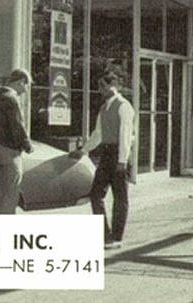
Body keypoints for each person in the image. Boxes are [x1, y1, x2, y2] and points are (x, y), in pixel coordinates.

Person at [71, 70, 135, 250]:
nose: (101, 90)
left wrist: (123, 161)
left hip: (118, 153)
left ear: (113, 86)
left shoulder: (124, 106)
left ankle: (117, 236)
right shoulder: (104, 108)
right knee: (96, 194)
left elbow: (125, 135)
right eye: (99, 86)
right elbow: (98, 134)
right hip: (106, 153)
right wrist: (83, 150)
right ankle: (104, 235)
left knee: (120, 196)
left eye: (103, 86)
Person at [0, 68, 33, 214]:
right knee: (11, 194)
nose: (26, 90)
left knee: (2, 193)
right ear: (21, 82)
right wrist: (27, 145)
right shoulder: (12, 98)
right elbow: (17, 125)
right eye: (27, 86)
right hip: (10, 151)